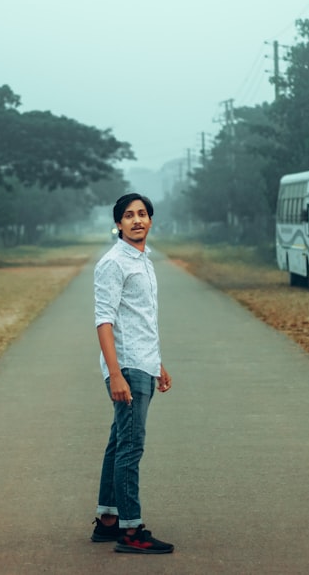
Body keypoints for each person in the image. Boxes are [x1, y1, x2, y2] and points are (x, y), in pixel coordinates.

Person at [90, 193, 174, 554]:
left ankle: (108, 519)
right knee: (131, 446)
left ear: (150, 221)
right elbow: (104, 320)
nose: (137, 220)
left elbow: (140, 319)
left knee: (118, 441)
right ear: (119, 223)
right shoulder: (114, 263)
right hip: (126, 367)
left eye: (142, 214)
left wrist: (158, 362)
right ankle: (131, 530)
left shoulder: (143, 259)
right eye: (129, 215)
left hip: (142, 362)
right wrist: (117, 373)